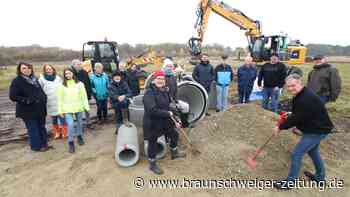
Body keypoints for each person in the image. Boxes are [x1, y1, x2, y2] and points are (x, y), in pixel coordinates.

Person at [272, 74, 334, 190]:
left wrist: (280, 127)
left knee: (297, 154)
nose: (290, 89)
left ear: (300, 83)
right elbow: (300, 113)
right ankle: (320, 178)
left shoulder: (305, 98)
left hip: (317, 130)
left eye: (293, 85)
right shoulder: (301, 95)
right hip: (315, 127)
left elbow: (297, 117)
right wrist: (291, 114)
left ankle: (290, 182)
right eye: (288, 86)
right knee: (313, 152)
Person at [143, 71, 186, 175]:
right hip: (152, 122)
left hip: (165, 120)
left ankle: (174, 152)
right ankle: (152, 164)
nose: (160, 81)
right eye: (158, 79)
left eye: (162, 79)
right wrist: (167, 113)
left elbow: (170, 105)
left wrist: (176, 118)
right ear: (154, 80)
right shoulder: (149, 92)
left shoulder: (165, 91)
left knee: (174, 134)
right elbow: (151, 110)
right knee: (152, 142)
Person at [9, 62, 51, 152]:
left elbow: (40, 91)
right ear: (19, 70)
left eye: (29, 68)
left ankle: (44, 144)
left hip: (40, 109)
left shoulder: (34, 79)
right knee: (33, 129)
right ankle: (36, 147)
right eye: (24, 68)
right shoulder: (17, 81)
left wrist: (44, 98)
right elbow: (13, 96)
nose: (27, 70)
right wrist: (27, 100)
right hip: (27, 110)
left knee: (42, 127)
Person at [57, 68, 90, 153]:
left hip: (78, 107)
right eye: (66, 74)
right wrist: (60, 110)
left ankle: (79, 136)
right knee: (70, 125)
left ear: (73, 74)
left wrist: (86, 107)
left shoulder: (80, 84)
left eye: (69, 73)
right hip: (67, 109)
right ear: (64, 75)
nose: (68, 75)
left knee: (79, 122)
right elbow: (60, 99)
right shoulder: (62, 85)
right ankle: (71, 142)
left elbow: (84, 96)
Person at [39, 64, 67, 139]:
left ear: (53, 69)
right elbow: (40, 90)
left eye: (50, 69)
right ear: (44, 70)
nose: (48, 70)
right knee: (54, 119)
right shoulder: (41, 79)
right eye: (47, 69)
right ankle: (57, 132)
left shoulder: (58, 78)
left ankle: (64, 132)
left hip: (59, 101)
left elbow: (63, 88)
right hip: (50, 102)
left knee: (62, 118)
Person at [70, 59, 93, 128]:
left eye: (80, 64)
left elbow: (88, 83)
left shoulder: (84, 72)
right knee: (78, 111)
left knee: (87, 109)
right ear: (73, 65)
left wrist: (89, 94)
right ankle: (79, 125)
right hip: (76, 96)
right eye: (78, 64)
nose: (80, 65)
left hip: (85, 94)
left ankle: (88, 123)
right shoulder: (70, 73)